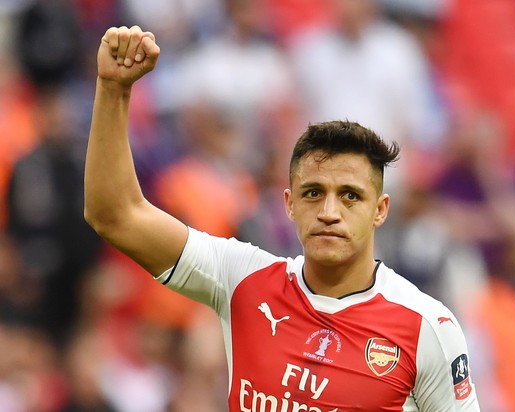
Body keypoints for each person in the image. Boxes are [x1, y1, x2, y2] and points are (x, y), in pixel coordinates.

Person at [84, 25, 481, 411]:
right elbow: (115, 215)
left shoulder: (427, 327)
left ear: (380, 210)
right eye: (313, 194)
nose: (329, 213)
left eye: (350, 196)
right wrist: (114, 90)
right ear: (289, 203)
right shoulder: (242, 280)